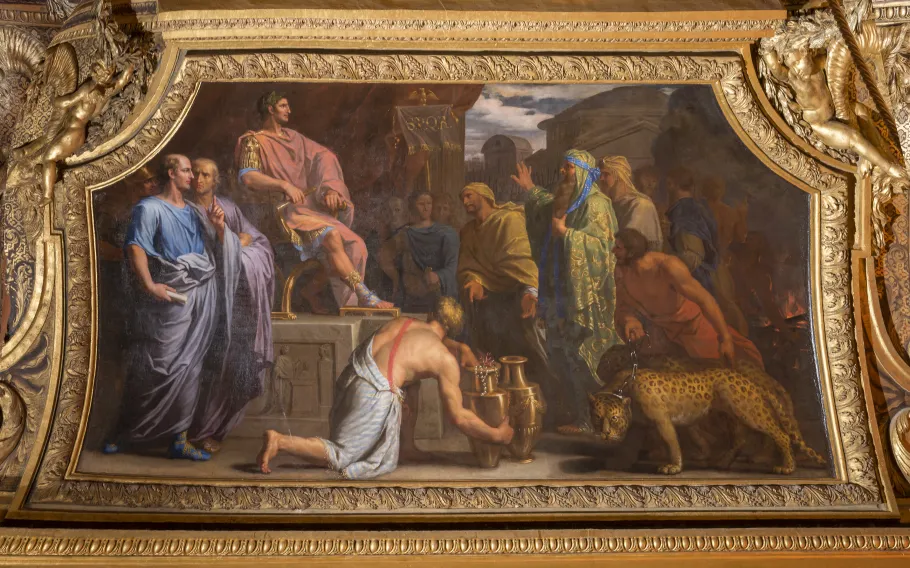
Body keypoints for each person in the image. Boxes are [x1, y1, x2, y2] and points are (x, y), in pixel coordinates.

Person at [256, 298, 514, 479]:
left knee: (410, 384)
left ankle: (407, 447)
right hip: (371, 393)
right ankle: (281, 441)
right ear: (453, 330)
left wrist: (460, 347)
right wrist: (497, 436)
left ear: (432, 315)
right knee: (343, 456)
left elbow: (426, 340)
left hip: (351, 377)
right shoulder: (443, 359)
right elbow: (459, 417)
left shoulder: (404, 323)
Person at [105, 154, 242, 461]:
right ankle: (126, 433)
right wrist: (150, 285)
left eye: (193, 171)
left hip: (202, 294)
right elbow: (136, 247)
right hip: (170, 298)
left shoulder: (194, 211)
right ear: (171, 173)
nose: (192, 176)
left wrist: (220, 228)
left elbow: (217, 249)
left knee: (191, 367)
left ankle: (179, 439)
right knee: (158, 366)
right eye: (186, 171)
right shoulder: (149, 208)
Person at [235, 91, 391, 309]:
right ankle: (364, 295)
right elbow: (249, 176)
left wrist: (331, 190)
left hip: (307, 211)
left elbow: (323, 157)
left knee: (356, 244)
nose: (289, 110)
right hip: (279, 213)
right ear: (270, 109)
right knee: (332, 235)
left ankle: (338, 301)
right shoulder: (254, 141)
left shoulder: (294, 138)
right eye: (283, 106)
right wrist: (284, 185)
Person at [513, 151, 621, 435]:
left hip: (582, 298)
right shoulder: (566, 199)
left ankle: (595, 420)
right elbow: (544, 206)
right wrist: (530, 189)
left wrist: (567, 235)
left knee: (581, 357)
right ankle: (577, 414)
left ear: (583, 171)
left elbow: (604, 249)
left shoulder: (596, 204)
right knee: (559, 354)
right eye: (562, 167)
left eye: (569, 168)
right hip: (557, 293)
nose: (562, 172)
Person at [457, 182, 570, 429]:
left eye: (469, 196)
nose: (465, 202)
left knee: (530, 352)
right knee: (492, 354)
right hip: (489, 302)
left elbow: (524, 262)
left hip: (517, 296)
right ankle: (504, 414)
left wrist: (530, 292)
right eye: (462, 198)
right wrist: (474, 281)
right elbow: (468, 265)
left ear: (485, 196)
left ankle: (555, 412)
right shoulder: (468, 231)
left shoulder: (507, 220)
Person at [187, 158, 275, 453]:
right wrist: (231, 240)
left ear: (215, 181)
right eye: (195, 173)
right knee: (209, 368)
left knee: (237, 365)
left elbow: (254, 238)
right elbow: (203, 254)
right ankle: (196, 431)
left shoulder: (227, 206)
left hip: (238, 302)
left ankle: (217, 431)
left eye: (205, 174)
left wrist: (233, 240)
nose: (199, 179)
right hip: (207, 300)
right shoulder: (184, 209)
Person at [612, 228, 763, 367]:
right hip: (659, 332)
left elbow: (705, 300)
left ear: (631, 252)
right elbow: (623, 306)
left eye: (618, 248)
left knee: (721, 367)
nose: (613, 251)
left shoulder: (668, 267)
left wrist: (725, 338)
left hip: (691, 328)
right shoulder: (621, 272)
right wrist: (631, 321)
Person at [380, 191, 459, 313]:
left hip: (437, 294)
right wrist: (396, 279)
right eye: (421, 204)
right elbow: (384, 256)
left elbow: (453, 266)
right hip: (411, 296)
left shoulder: (447, 233)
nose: (426, 207)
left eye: (429, 203)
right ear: (413, 206)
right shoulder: (405, 233)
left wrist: (439, 275)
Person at [599, 155, 663, 252]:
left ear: (619, 176)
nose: (601, 178)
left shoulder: (640, 205)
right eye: (600, 174)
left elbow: (627, 243)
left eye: (606, 174)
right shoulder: (607, 204)